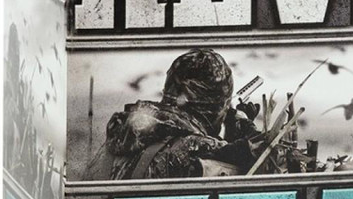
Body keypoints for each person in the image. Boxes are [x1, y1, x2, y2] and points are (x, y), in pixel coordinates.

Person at [86, 48, 260, 180]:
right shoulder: (195, 148)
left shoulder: (128, 131)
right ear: (213, 106)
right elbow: (261, 154)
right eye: (223, 104)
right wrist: (244, 124)